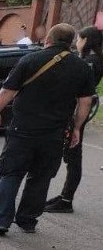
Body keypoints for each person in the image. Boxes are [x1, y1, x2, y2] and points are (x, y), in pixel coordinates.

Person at [0, 23, 96, 236]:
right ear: (71, 42)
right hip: (54, 134)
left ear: (48, 39)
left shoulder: (30, 60)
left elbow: (7, 91)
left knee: (10, 173)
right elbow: (85, 103)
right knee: (41, 177)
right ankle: (27, 220)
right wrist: (76, 128)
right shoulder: (82, 68)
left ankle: (2, 220)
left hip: (22, 129)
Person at [45, 25, 103, 213]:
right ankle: (64, 196)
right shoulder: (89, 59)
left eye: (79, 39)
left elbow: (83, 91)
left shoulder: (91, 61)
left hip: (79, 111)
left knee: (73, 155)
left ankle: (66, 199)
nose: (77, 43)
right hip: (78, 109)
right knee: (72, 155)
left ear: (86, 40)